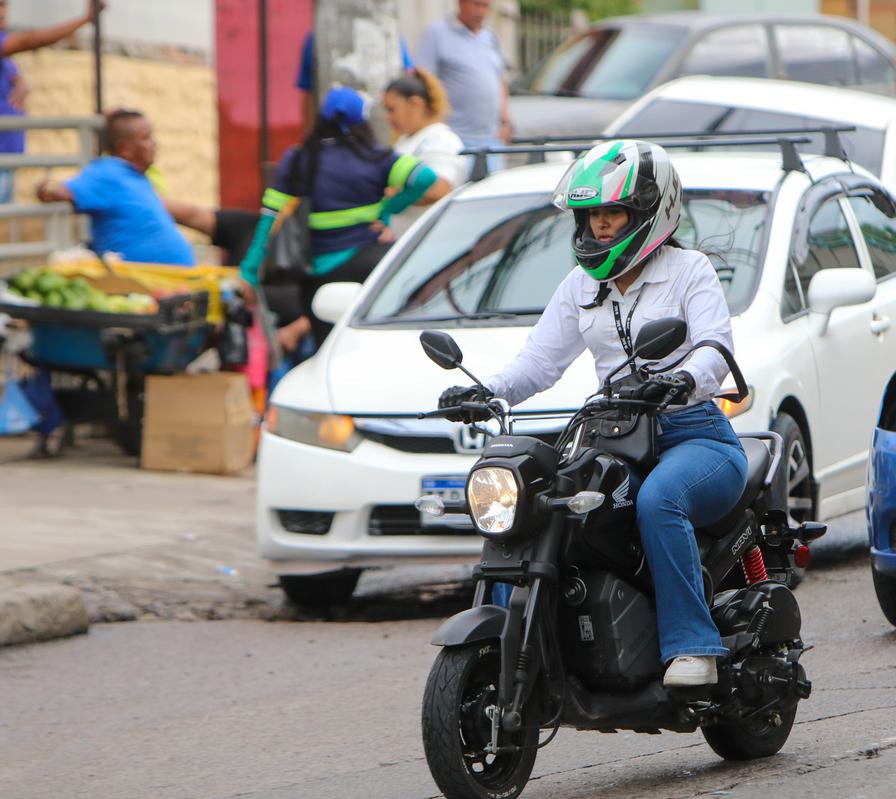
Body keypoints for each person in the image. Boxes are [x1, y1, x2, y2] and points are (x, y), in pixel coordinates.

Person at [437, 140, 747, 688]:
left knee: (660, 500)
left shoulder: (688, 271)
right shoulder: (581, 285)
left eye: (614, 214)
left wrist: (678, 379)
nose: (602, 227)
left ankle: (691, 645)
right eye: (594, 216)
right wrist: (485, 391)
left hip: (693, 435)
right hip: (612, 438)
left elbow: (713, 349)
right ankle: (532, 637)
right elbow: (539, 362)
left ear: (650, 211)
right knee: (547, 505)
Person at [239, 86, 438, 348]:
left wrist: (250, 271)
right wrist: (388, 209)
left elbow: (268, 216)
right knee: (373, 347)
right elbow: (426, 178)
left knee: (329, 352)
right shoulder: (375, 157)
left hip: (318, 276)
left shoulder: (298, 159)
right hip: (369, 266)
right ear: (361, 121)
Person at [36, 109, 195, 266]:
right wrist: (48, 188)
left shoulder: (136, 175)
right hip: (137, 283)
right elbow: (56, 191)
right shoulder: (107, 172)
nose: (154, 143)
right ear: (124, 148)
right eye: (146, 138)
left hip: (171, 281)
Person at [0, 0, 106, 203]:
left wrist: (22, 84)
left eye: (4, 6)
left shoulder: (5, 47)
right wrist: (83, 20)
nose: (2, 12)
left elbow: (14, 73)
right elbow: (30, 41)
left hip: (7, 155)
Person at [416, 0, 509, 173]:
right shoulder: (436, 34)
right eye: (476, 4)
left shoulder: (491, 38)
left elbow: (499, 82)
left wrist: (506, 121)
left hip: (491, 141)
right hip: (455, 140)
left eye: (486, 6)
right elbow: (423, 83)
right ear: (460, 3)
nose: (481, 11)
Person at [382, 67, 466, 233]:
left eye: (392, 109)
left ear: (415, 104)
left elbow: (438, 189)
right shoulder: (408, 139)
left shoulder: (440, 140)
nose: (387, 117)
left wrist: (394, 198)